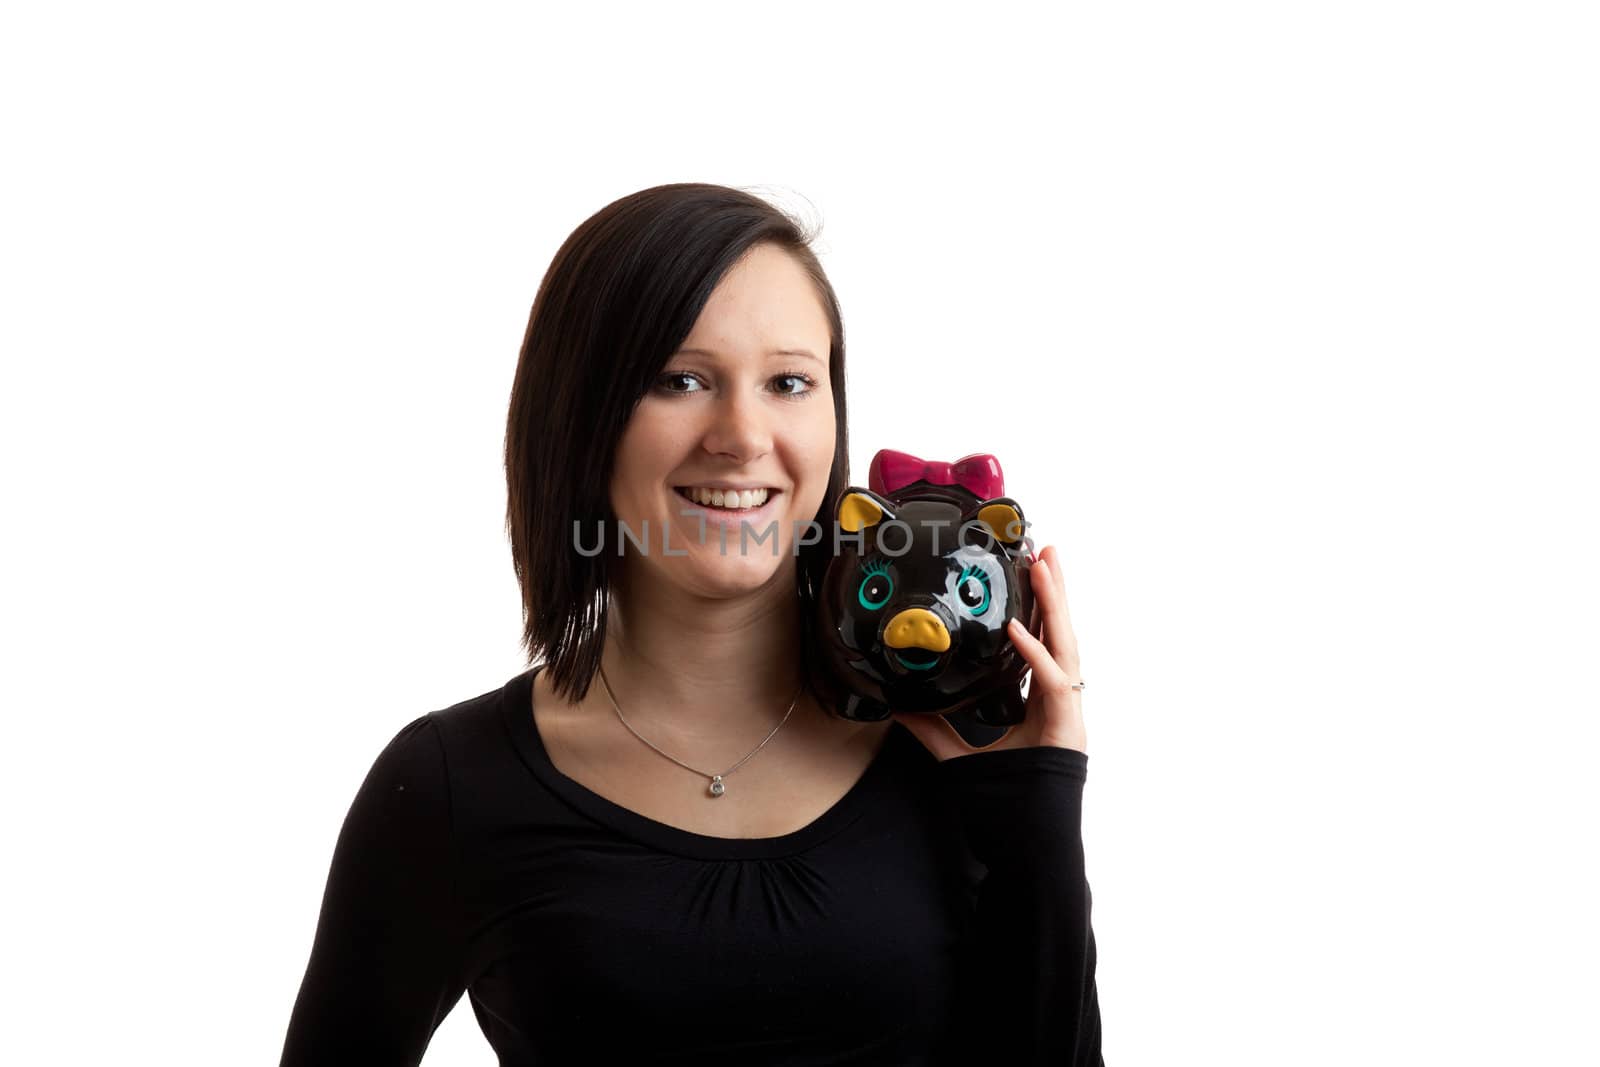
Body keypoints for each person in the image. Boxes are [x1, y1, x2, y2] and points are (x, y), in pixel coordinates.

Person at [278, 182, 1103, 1065]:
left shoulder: (967, 761)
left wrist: (1035, 811)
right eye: (681, 379)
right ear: (581, 415)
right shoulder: (449, 785)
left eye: (789, 381)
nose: (742, 435)